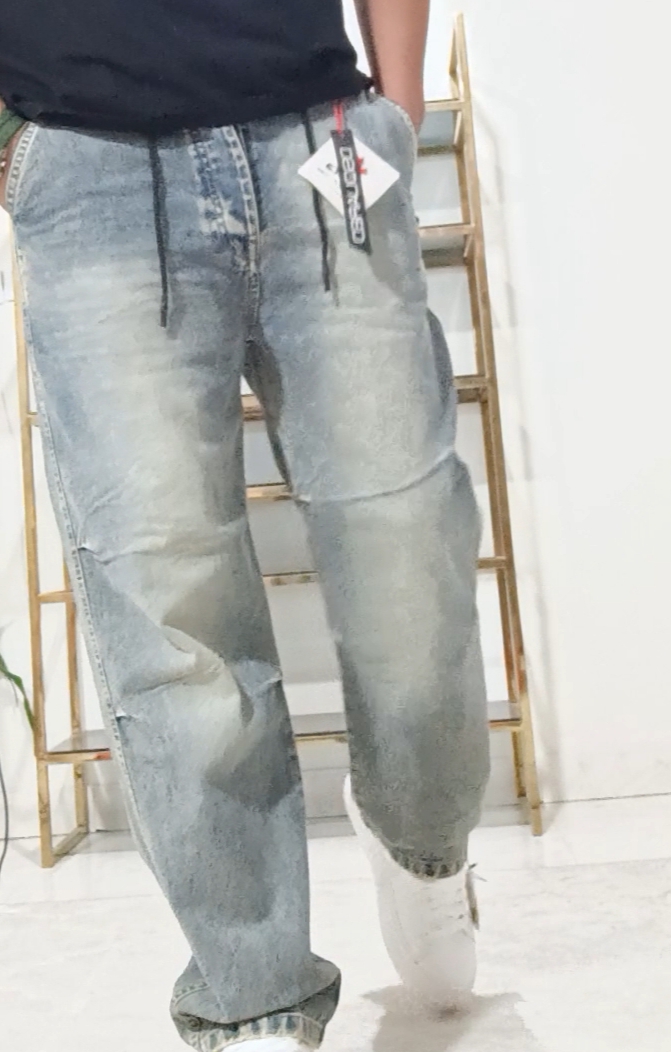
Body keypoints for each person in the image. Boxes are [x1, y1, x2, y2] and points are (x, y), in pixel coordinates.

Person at [0, 0, 490, 1048]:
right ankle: (253, 995)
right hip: (88, 165)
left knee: (408, 547)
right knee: (168, 604)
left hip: (320, 137)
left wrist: (397, 108)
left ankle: (423, 841)